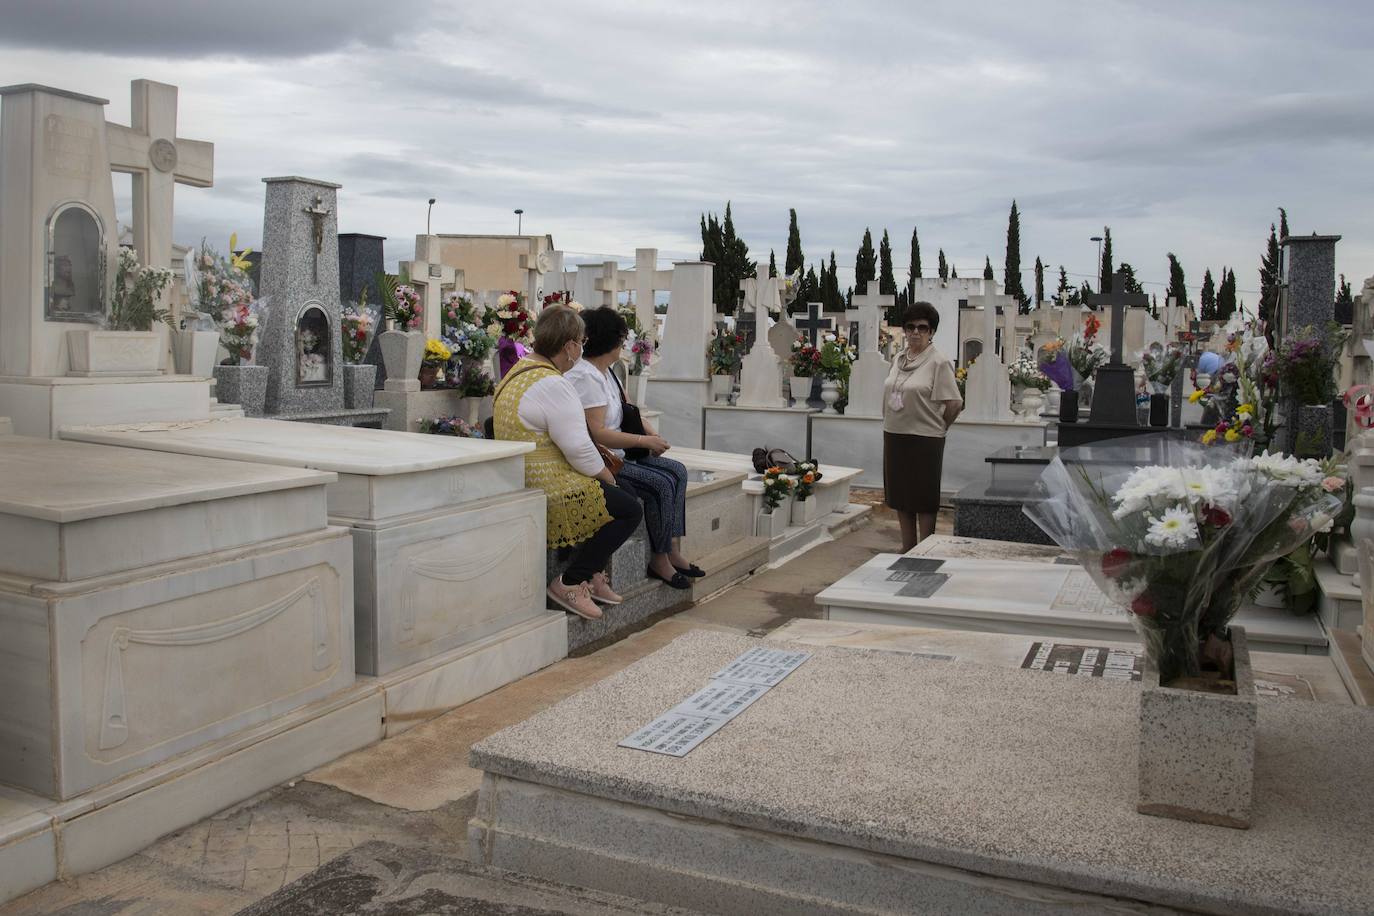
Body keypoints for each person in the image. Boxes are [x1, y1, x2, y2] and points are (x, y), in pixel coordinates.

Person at [492, 305, 643, 620]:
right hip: (544, 479)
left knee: (624, 491)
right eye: (581, 342)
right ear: (570, 346)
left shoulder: (518, 371)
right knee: (629, 508)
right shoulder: (553, 384)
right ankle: (571, 581)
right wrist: (607, 476)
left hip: (518, 471)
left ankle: (592, 574)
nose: (582, 348)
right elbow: (579, 451)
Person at [568, 307, 703, 590]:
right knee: (660, 485)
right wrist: (643, 442)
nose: (624, 344)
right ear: (611, 341)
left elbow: (628, 410)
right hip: (605, 461)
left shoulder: (607, 372)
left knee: (677, 471)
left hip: (623, 452)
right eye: (621, 338)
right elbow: (598, 433)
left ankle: (673, 549)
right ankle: (660, 559)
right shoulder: (587, 377)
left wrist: (651, 433)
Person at [882, 301, 963, 552]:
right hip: (896, 434)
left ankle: (925, 551)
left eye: (922, 327)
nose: (915, 332)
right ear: (904, 330)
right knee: (901, 497)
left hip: (925, 438)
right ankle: (907, 548)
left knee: (923, 498)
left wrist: (940, 426)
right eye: (910, 327)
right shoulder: (898, 359)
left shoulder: (938, 362)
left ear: (931, 332)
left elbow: (954, 403)